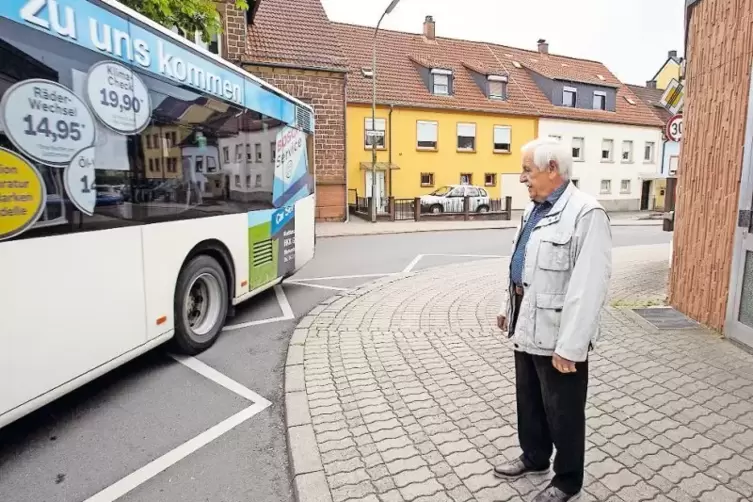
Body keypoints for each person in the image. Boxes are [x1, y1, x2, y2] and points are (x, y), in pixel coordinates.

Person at [494, 137, 612, 502]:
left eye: (527, 170)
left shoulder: (586, 213)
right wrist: (506, 306)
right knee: (528, 399)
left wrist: (571, 348)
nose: (522, 178)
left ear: (552, 170)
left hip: (559, 336)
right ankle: (534, 457)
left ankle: (566, 481)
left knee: (564, 412)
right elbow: (520, 264)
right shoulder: (534, 209)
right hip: (526, 323)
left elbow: (589, 286)